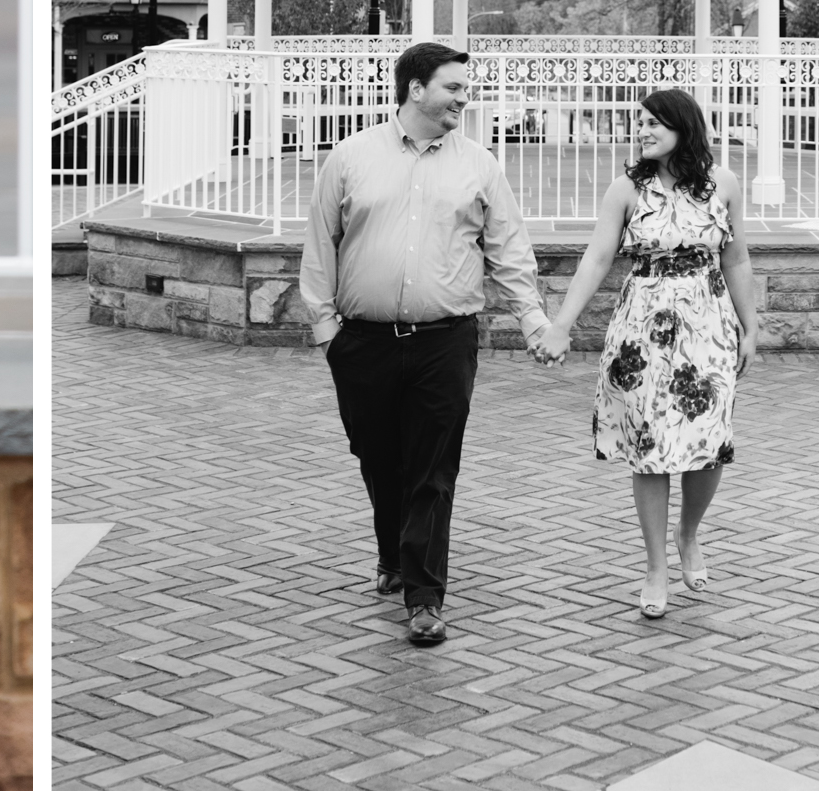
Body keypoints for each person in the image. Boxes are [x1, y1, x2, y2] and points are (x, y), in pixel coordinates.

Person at [298, 41, 559, 648]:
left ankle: (424, 596)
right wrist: (326, 332)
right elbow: (320, 246)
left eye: (465, 90)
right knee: (377, 458)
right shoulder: (350, 157)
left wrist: (532, 322)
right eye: (454, 89)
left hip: (447, 341)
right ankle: (392, 551)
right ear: (416, 88)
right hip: (363, 343)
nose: (463, 101)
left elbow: (510, 253)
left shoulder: (480, 164)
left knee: (433, 470)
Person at [537, 86, 757, 619]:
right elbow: (595, 260)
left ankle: (689, 533)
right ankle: (656, 565)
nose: (644, 130)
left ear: (684, 126)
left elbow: (737, 260)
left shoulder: (722, 185)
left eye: (655, 122)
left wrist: (751, 328)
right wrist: (561, 324)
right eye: (640, 122)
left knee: (709, 443)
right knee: (651, 446)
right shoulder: (626, 189)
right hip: (642, 333)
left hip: (708, 329)